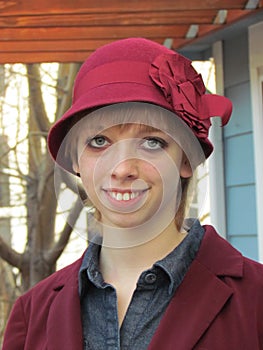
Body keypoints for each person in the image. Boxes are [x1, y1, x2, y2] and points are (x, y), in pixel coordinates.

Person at [3, 38, 263, 350]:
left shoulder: (256, 300)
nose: (122, 168)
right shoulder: (32, 314)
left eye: (152, 142)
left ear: (185, 158)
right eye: (99, 141)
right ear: (75, 159)